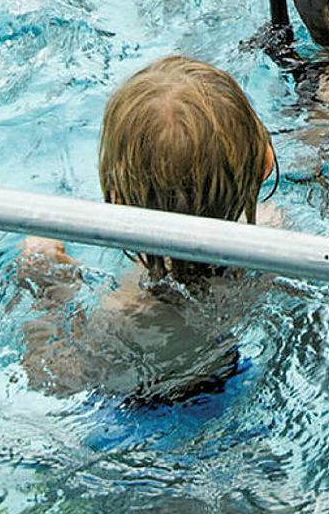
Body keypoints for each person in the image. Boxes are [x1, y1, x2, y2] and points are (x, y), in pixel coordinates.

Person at [15, 55, 277, 403]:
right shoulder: (275, 239)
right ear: (264, 164)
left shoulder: (126, 317)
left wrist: (48, 286)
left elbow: (48, 377)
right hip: (238, 381)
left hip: (145, 417)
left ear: (118, 200)